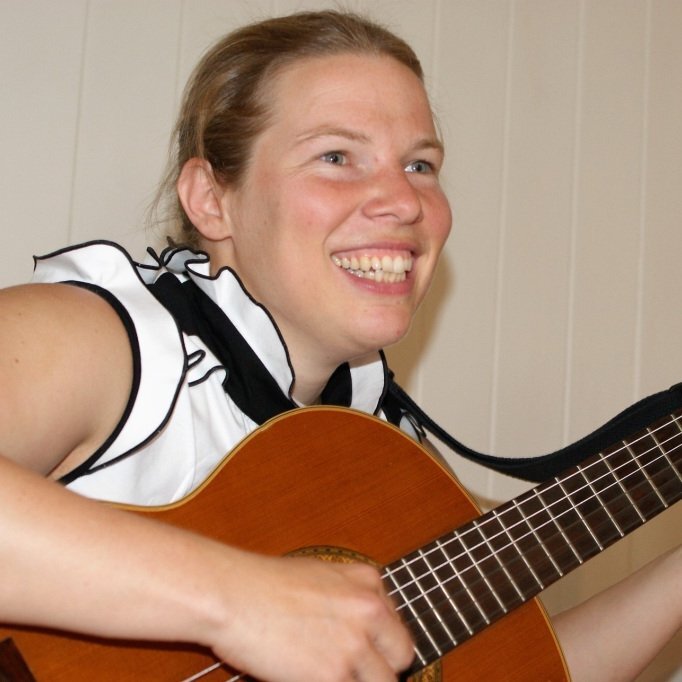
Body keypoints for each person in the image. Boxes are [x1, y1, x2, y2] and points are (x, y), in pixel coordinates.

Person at [0, 9, 679, 682]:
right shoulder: (105, 341)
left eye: (420, 164)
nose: (403, 200)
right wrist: (237, 601)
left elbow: (514, 671)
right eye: (335, 157)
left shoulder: (379, 457)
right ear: (211, 199)